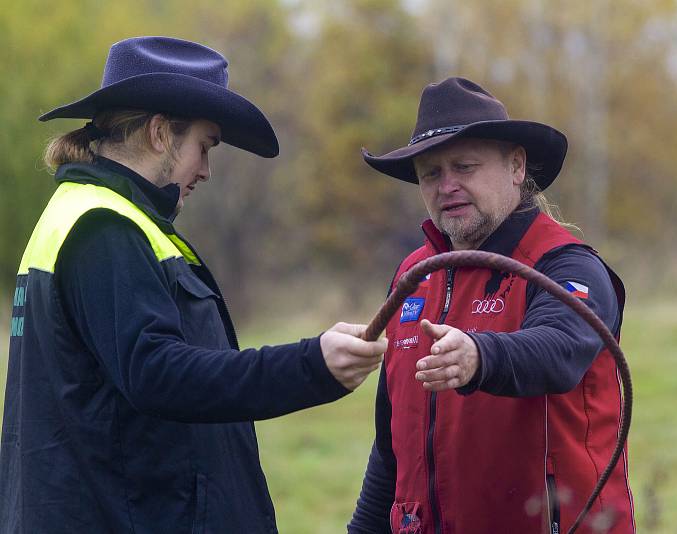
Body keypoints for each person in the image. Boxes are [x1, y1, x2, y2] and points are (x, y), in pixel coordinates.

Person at [0, 36, 387, 534]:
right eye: (204, 147)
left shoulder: (97, 216)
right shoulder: (106, 229)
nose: (205, 170)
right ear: (161, 133)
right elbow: (159, 373)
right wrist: (310, 366)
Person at [348, 77, 634, 533]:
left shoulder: (567, 266)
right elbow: (392, 444)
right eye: (431, 174)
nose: (447, 186)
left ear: (516, 166)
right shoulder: (412, 276)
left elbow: (559, 350)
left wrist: (480, 356)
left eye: (464, 166)